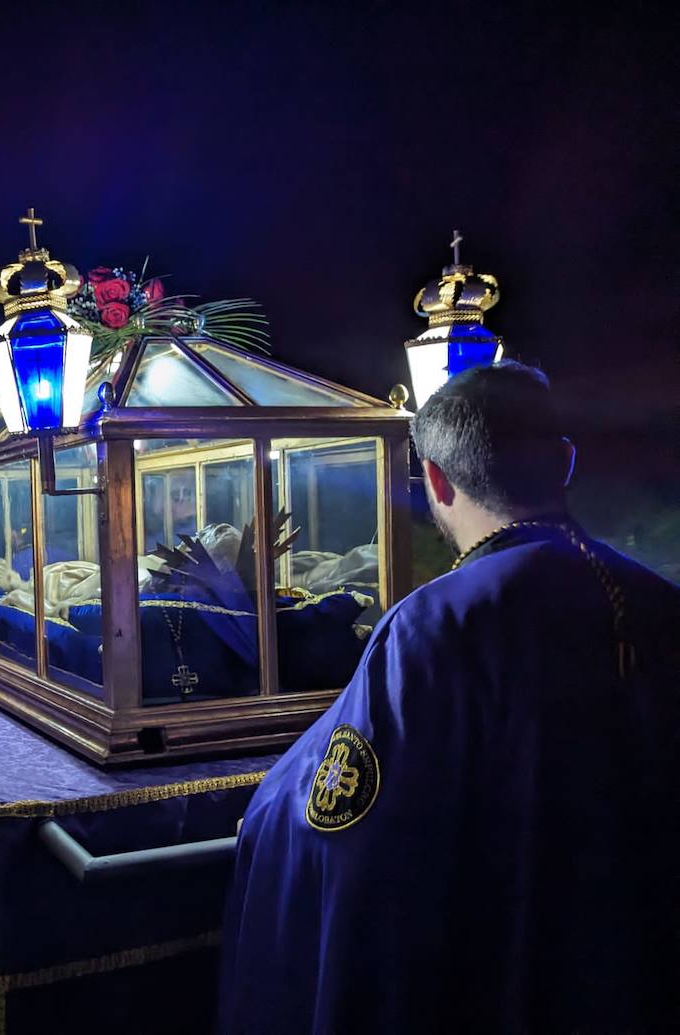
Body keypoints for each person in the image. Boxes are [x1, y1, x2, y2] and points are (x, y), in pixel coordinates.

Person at [220, 362, 680, 1031]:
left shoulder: (434, 624)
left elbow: (342, 821)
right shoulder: (660, 600)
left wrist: (265, 812)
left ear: (434, 480)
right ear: (566, 461)